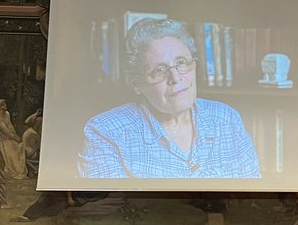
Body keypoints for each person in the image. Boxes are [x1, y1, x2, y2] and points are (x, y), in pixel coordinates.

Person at [79, 18, 260, 179]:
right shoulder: (106, 132)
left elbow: (251, 198)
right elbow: (109, 205)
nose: (176, 78)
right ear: (136, 83)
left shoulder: (227, 119)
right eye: (160, 70)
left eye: (181, 63)